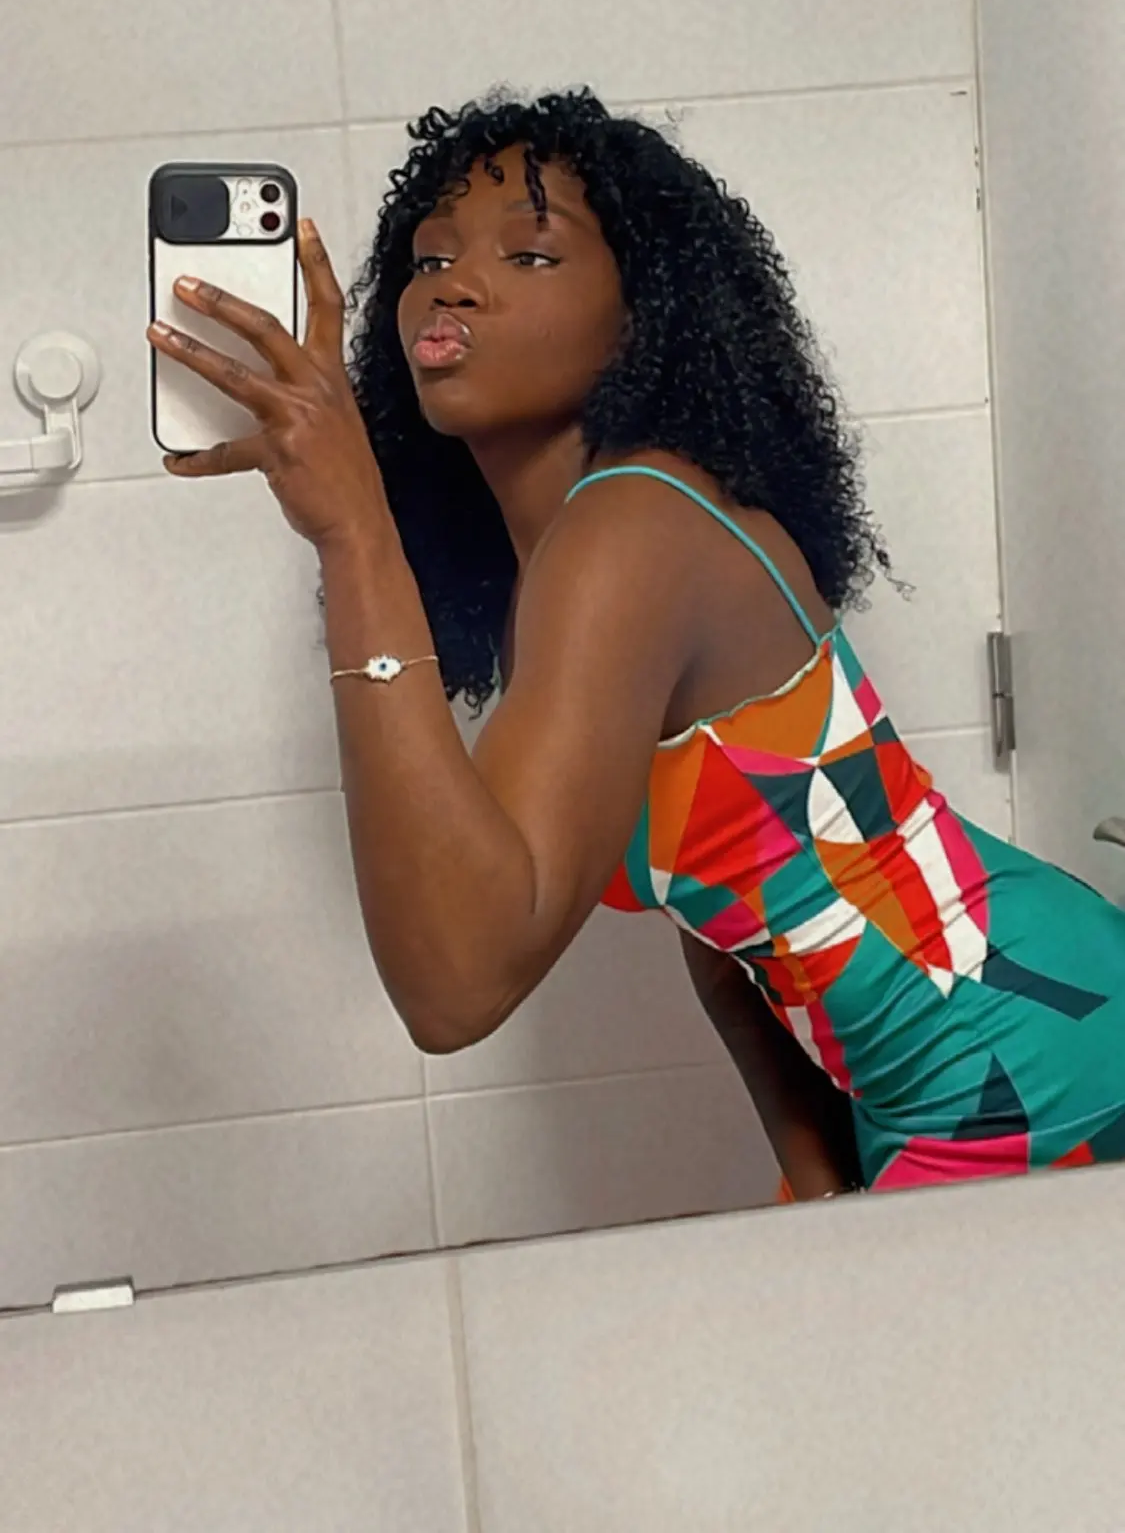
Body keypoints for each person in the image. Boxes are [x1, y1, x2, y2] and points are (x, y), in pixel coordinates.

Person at [148, 88, 1125, 1202]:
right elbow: (722, 934)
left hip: (1029, 1059)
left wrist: (353, 529)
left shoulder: (635, 526)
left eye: (530, 253)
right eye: (430, 257)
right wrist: (817, 1186)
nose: (453, 283)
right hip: (941, 1075)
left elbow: (455, 986)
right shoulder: (572, 558)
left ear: (643, 312)